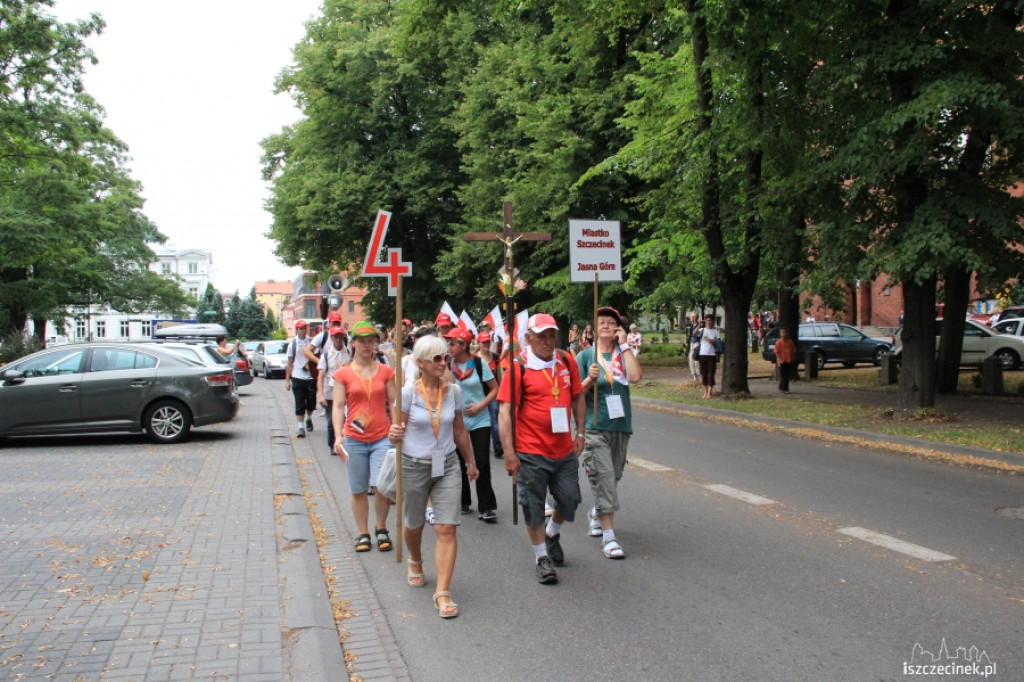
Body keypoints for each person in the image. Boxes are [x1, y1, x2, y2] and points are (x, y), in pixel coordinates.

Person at [388, 336, 478, 618]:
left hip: (447, 464)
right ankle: (415, 559)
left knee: (446, 527)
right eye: (436, 359)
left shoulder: (454, 392)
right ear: (421, 363)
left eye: (445, 357)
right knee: (414, 526)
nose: (443, 362)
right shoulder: (407, 394)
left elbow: (460, 430)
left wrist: (470, 462)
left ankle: (442, 591)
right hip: (414, 465)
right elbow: (396, 430)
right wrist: (394, 433)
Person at [498, 313, 586, 585]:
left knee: (570, 500)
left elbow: (578, 397)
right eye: (542, 336)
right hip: (531, 451)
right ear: (529, 338)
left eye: (552, 335)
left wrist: (580, 431)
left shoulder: (567, 360)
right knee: (533, 506)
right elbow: (504, 412)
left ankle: (552, 533)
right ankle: (541, 558)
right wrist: (510, 453)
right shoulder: (517, 367)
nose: (548, 341)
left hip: (563, 450)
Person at [577, 307, 642, 559]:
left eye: (611, 322)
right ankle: (609, 537)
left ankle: (597, 511)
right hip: (595, 425)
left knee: (613, 476)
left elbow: (635, 377)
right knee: (603, 477)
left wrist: (625, 345)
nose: (605, 325)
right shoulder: (585, 357)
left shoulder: (622, 353)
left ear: (618, 328)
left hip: (620, 426)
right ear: (594, 328)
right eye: (601, 322)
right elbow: (574, 395)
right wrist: (588, 380)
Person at [332, 321, 396, 553]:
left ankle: (381, 527)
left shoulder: (387, 371)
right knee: (357, 488)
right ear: (354, 343)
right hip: (354, 437)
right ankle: (363, 532)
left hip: (381, 436)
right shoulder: (343, 374)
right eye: (362, 341)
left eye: (371, 340)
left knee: (382, 485)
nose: (367, 345)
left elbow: (393, 402)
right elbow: (338, 406)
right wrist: (338, 436)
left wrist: (398, 427)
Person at [444, 327, 499, 522]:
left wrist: (481, 405)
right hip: (456, 420)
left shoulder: (478, 363)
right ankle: (464, 501)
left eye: (452, 343)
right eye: (448, 343)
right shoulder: (446, 366)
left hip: (480, 418)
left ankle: (486, 506)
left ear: (463, 345)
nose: (448, 346)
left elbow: (494, 389)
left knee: (482, 460)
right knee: (460, 461)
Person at [317, 326, 351, 454]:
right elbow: (320, 376)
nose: (338, 339)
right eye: (335, 337)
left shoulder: (348, 353)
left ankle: (346, 442)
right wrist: (321, 395)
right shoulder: (326, 355)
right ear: (331, 338)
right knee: (332, 420)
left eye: (340, 337)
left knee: (346, 419)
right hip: (330, 393)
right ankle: (333, 445)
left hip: (346, 392)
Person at [285, 320, 317, 438]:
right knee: (299, 402)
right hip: (297, 377)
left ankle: (308, 418)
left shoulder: (311, 342)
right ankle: (300, 427)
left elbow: (317, 356)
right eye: (301, 328)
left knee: (311, 402)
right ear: (297, 330)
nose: (303, 330)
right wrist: (287, 380)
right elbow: (289, 363)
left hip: (310, 377)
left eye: (305, 328)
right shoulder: (293, 344)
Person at [476, 331, 504, 459]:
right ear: (479, 343)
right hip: (479, 394)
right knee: (481, 421)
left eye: (488, 341)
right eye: (484, 342)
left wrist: (502, 391)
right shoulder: (474, 358)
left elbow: (499, 375)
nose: (487, 344)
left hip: (493, 393)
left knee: (494, 418)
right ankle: (481, 446)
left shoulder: (495, 357)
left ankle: (497, 445)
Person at [696, 314, 721, 399]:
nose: (709, 322)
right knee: (703, 373)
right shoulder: (702, 330)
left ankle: (710, 392)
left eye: (710, 320)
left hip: (712, 354)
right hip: (702, 354)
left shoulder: (715, 331)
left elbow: (718, 342)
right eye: (707, 320)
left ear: (713, 321)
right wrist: (699, 324)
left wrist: (713, 342)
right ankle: (705, 391)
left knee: (711, 373)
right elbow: (695, 333)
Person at [774, 326, 797, 394]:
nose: (783, 334)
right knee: (783, 375)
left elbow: (793, 350)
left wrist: (793, 357)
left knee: (787, 375)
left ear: (787, 333)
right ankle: (785, 388)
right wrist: (780, 359)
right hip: (782, 361)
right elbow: (776, 352)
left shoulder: (790, 341)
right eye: (781, 332)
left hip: (789, 360)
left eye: (784, 332)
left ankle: (781, 386)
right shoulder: (779, 342)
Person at [687, 312, 701, 382]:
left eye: (691, 317)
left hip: (697, 343)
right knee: (691, 359)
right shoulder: (692, 325)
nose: (690, 318)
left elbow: (698, 334)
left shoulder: (700, 325)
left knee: (696, 361)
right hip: (692, 343)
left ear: (695, 317)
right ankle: (694, 375)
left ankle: (699, 375)